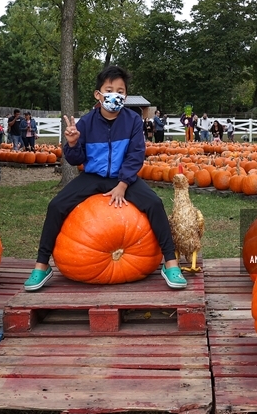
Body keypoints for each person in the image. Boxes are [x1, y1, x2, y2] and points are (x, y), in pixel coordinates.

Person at [24, 65, 187, 291]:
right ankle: (42, 266)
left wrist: (122, 184)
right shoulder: (86, 123)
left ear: (125, 96)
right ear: (98, 94)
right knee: (56, 205)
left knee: (155, 204)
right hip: (92, 177)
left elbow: (135, 155)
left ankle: (170, 263)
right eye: (109, 89)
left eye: (120, 91)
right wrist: (71, 143)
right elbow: (75, 158)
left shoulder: (132, 121)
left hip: (124, 177)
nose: (115, 95)